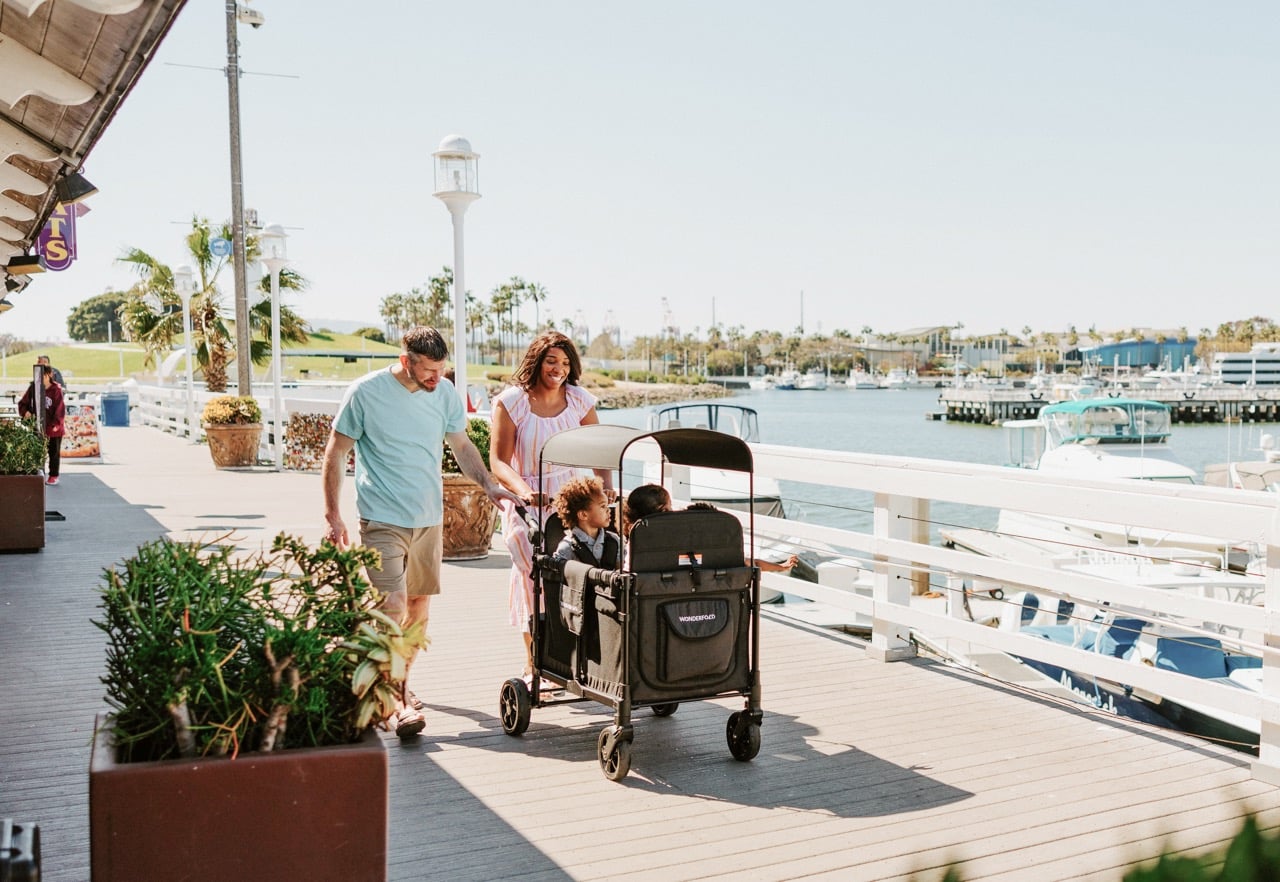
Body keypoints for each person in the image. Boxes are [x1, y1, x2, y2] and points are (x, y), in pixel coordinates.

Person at [321, 326, 521, 739]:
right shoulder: (365, 393)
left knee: (417, 609)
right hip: (381, 517)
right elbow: (336, 451)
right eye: (429, 370)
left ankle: (399, 685)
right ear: (405, 360)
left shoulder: (444, 393)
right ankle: (397, 702)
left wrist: (488, 485)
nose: (436, 378)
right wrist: (332, 514)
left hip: (427, 518)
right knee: (392, 606)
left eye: (441, 369)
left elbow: (461, 446)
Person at [490, 330, 613, 677]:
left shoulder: (579, 400)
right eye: (551, 361)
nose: (558, 369)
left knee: (571, 573)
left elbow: (600, 450)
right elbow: (499, 462)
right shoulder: (512, 402)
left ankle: (570, 659)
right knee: (534, 576)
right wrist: (524, 492)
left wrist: (605, 488)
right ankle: (534, 663)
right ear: (536, 361)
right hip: (527, 500)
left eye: (565, 363)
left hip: (570, 499)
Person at [551, 476, 620, 568]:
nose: (609, 510)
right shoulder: (567, 548)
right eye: (603, 506)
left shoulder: (614, 540)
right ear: (583, 515)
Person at [18, 364, 66, 485]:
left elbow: (60, 409)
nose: (40, 379)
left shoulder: (56, 390)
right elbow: (23, 403)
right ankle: (38, 474)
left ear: (49, 375)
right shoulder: (34, 388)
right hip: (38, 427)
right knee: (36, 451)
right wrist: (25, 412)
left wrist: (56, 425)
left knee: (53, 452)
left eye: (43, 376)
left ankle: (54, 475)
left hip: (53, 429)